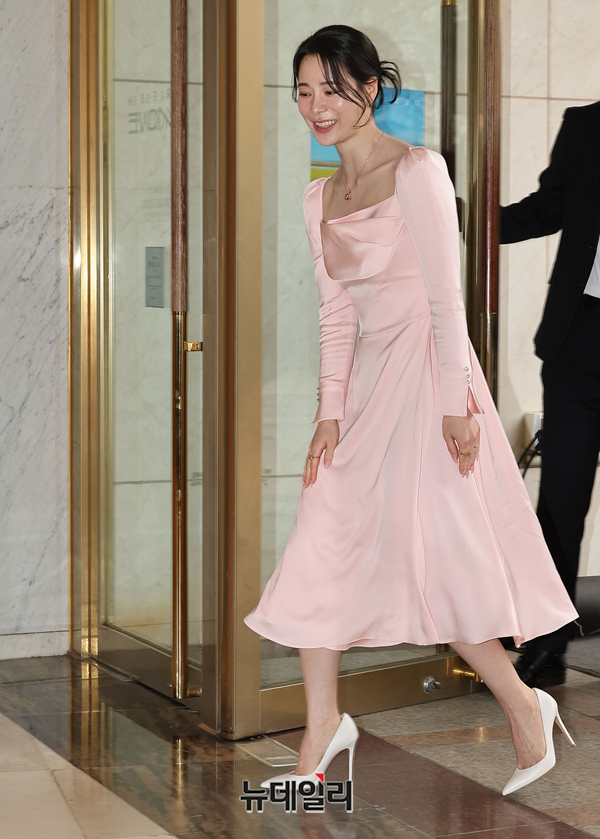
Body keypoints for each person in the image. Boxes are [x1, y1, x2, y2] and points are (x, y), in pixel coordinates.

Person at [244, 24, 578, 797]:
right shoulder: (318, 196)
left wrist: (457, 402)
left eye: (332, 89)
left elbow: (444, 296)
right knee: (321, 537)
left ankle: (522, 703)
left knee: (442, 559)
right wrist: (328, 413)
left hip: (430, 385)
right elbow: (336, 315)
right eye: (303, 91)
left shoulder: (419, 171)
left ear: (370, 88)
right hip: (366, 391)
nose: (316, 106)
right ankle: (322, 725)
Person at [500, 102, 600, 689]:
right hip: (578, 338)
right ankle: (548, 642)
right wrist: (458, 217)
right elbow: (548, 208)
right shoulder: (587, 126)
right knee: (561, 497)